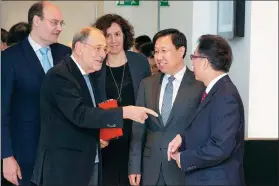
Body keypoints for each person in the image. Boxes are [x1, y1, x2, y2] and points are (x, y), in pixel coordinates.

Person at [31, 27, 158, 186]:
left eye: (104, 49)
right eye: (97, 48)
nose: (103, 54)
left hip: (88, 161)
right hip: (65, 168)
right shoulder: (61, 75)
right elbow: (80, 114)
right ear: (79, 48)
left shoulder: (88, 74)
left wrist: (98, 135)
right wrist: (125, 112)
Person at [1, 2, 71, 186]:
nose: (59, 29)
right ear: (37, 21)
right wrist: (6, 156)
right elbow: (2, 112)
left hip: (62, 154)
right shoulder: (10, 58)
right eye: (54, 22)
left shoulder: (65, 54)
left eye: (61, 24)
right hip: (25, 156)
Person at [128, 28, 205, 186]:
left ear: (181, 50)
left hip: (183, 168)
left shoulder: (199, 84)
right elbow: (138, 128)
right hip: (151, 167)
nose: (158, 57)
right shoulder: (147, 84)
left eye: (164, 51)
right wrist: (134, 166)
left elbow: (202, 127)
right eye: (156, 51)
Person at [167, 34, 245, 186]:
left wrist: (184, 158)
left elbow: (220, 147)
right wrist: (183, 138)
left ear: (204, 62)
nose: (192, 63)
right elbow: (206, 127)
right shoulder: (214, 90)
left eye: (193, 57)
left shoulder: (225, 95)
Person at [93, 14, 151, 186]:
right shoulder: (96, 64)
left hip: (135, 137)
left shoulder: (139, 61)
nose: (113, 40)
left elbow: (148, 96)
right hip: (106, 139)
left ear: (124, 35)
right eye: (107, 35)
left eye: (117, 34)